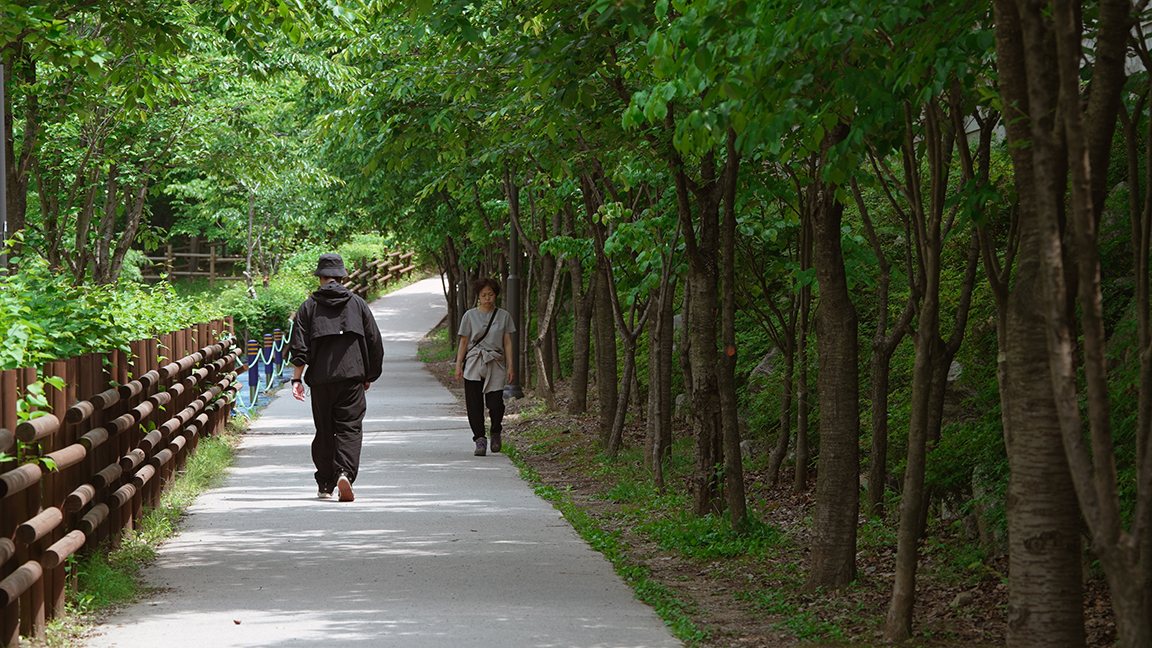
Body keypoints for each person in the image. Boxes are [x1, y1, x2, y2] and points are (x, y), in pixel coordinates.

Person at [288, 253, 384, 501]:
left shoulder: (308, 307)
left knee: (325, 430)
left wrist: (297, 380)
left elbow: (299, 348)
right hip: (352, 377)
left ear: (320, 278)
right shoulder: (358, 304)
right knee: (349, 429)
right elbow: (374, 342)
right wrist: (369, 374)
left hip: (320, 381)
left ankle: (325, 484)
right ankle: (344, 473)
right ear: (341, 277)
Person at [454, 277, 515, 456]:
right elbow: (464, 342)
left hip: (495, 361)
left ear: (495, 295)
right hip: (474, 362)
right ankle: (479, 439)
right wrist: (459, 365)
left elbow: (508, 343)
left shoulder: (503, 316)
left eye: (490, 295)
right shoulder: (469, 316)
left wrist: (510, 366)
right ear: (478, 297)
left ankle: (496, 431)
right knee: (474, 404)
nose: (487, 298)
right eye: (483, 295)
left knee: (496, 404)